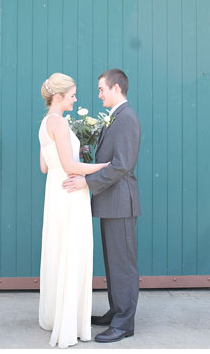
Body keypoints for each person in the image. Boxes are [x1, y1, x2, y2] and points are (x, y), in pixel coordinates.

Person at [62, 69, 141, 343]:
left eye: (101, 89)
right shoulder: (115, 117)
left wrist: (87, 181)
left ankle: (124, 323)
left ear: (116, 88)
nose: (99, 95)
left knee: (123, 265)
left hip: (121, 202)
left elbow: (122, 165)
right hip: (111, 202)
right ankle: (117, 311)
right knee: (113, 263)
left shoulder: (126, 117)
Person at [38, 72, 110, 348]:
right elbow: (70, 166)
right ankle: (69, 322)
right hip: (70, 194)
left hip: (55, 192)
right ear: (58, 97)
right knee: (73, 252)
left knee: (59, 251)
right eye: (72, 95)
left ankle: (56, 316)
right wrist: (106, 167)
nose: (75, 99)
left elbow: (45, 166)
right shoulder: (59, 123)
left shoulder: (45, 122)